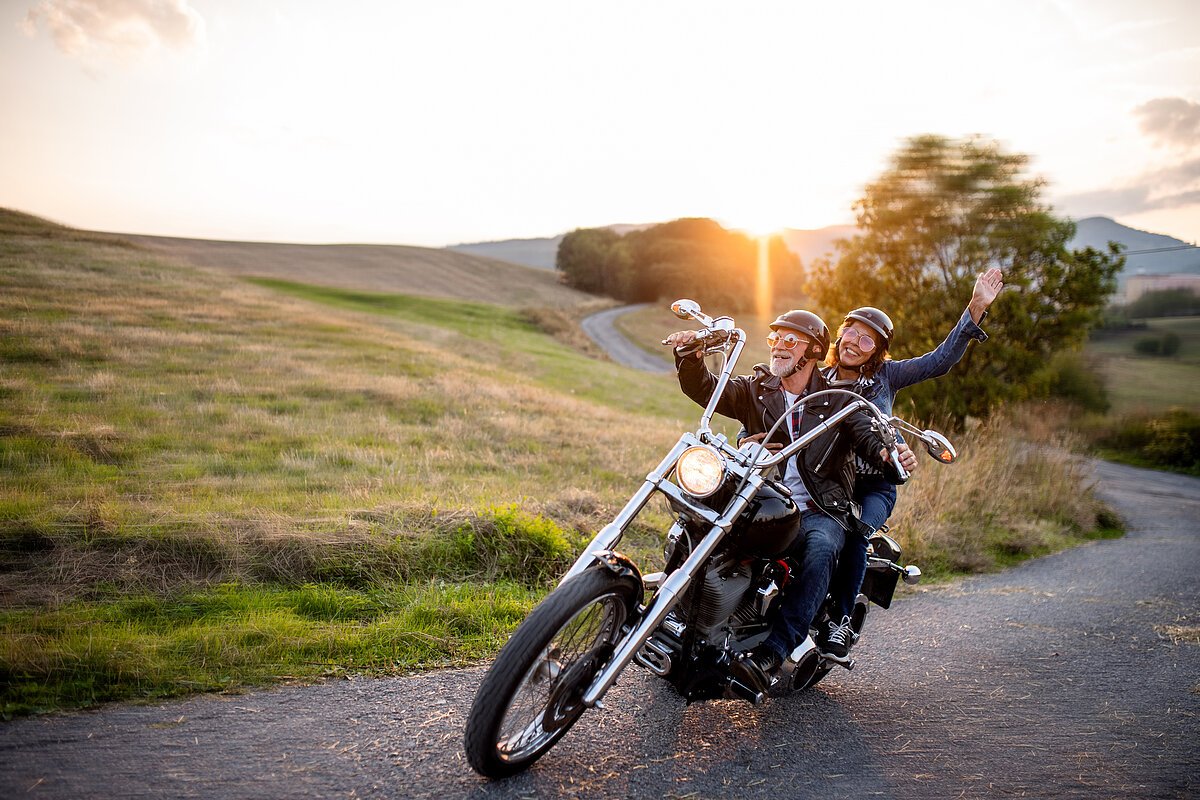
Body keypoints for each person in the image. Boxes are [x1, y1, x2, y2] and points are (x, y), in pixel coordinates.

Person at [664, 309, 917, 693]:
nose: (779, 345)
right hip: (763, 500)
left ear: (813, 351)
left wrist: (890, 453)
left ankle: (773, 652)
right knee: (695, 518)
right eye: (775, 338)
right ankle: (680, 609)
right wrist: (689, 357)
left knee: (822, 548)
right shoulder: (758, 388)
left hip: (817, 509)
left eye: (790, 340)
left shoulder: (839, 400)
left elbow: (868, 436)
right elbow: (707, 389)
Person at [809, 267, 1004, 663]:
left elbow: (939, 361)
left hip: (873, 484)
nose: (856, 341)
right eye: (852, 331)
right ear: (841, 333)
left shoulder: (886, 376)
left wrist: (975, 308)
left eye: (868, 338)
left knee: (858, 530)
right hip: (826, 479)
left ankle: (840, 620)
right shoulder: (819, 376)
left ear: (877, 350)